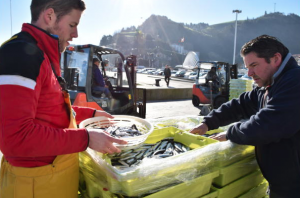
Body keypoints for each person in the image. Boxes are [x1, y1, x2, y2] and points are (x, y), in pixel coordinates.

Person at [0, 0, 126, 197]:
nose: (75, 34)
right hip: (35, 186)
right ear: (49, 16)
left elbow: (51, 110)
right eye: (72, 25)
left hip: (51, 180)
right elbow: (16, 138)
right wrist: (86, 138)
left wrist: (92, 114)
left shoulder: (42, 54)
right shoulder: (21, 54)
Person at [189, 35, 300, 197]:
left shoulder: (295, 81)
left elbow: (270, 124)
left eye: (254, 65)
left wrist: (230, 134)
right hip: (282, 183)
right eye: (247, 67)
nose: (249, 73)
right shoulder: (270, 83)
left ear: (276, 59)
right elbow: (240, 105)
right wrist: (208, 123)